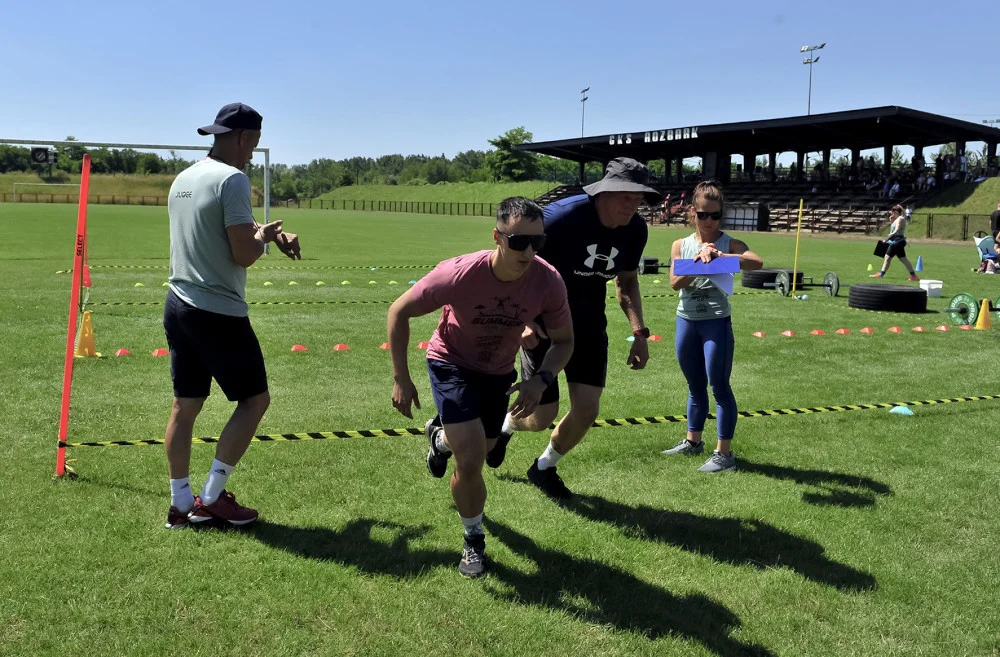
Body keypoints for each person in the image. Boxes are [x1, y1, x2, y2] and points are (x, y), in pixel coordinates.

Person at [387, 197, 573, 577]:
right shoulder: (458, 273)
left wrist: (541, 379)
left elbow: (565, 340)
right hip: (451, 362)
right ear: (498, 237)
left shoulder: (547, 280)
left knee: (486, 448)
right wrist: (401, 378)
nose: (530, 252)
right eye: (520, 241)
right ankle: (474, 540)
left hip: (498, 371)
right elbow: (398, 311)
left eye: (539, 242)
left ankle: (439, 439)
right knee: (471, 460)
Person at [163, 103, 301, 530]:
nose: (251, 153)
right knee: (255, 401)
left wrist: (269, 233)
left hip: (178, 305)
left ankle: (181, 504)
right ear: (243, 137)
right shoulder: (233, 179)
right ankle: (212, 497)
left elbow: (225, 232)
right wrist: (263, 241)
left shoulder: (184, 179)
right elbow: (243, 253)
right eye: (253, 144)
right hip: (217, 312)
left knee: (185, 407)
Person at [495, 157, 659, 500]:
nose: (633, 205)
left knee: (587, 410)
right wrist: (523, 322)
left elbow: (626, 281)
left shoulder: (636, 230)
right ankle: (505, 427)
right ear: (605, 190)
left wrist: (639, 333)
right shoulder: (559, 219)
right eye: (626, 196)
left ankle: (544, 468)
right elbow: (513, 266)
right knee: (541, 416)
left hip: (587, 326)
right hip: (542, 326)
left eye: (639, 197)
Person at [660, 181, 763, 472]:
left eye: (714, 215)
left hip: (715, 322)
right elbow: (674, 283)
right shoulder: (680, 244)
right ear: (692, 212)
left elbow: (756, 262)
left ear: (721, 215)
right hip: (686, 320)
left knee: (719, 386)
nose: (708, 221)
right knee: (694, 387)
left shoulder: (728, 243)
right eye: (703, 214)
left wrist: (720, 256)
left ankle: (724, 455)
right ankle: (693, 442)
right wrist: (698, 264)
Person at [871, 204, 918, 280]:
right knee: (903, 259)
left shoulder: (900, 218)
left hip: (897, 241)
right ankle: (914, 276)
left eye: (892, 213)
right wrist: (892, 220)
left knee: (887, 257)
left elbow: (896, 230)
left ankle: (881, 274)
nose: (891, 214)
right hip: (898, 241)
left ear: (896, 212)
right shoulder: (898, 219)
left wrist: (887, 238)